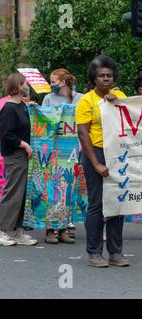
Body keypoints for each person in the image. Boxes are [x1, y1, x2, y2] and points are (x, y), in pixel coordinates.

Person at [76, 55, 129, 268]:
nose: (106, 79)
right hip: (95, 153)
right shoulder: (86, 100)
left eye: (109, 75)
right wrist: (96, 164)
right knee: (97, 204)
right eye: (101, 76)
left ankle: (116, 253)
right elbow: (82, 133)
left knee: (117, 204)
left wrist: (116, 103)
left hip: (117, 153)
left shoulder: (120, 95)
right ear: (94, 79)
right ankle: (95, 253)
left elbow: (130, 122)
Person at [0, 73, 38, 246]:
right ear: (18, 85)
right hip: (15, 155)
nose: (28, 85)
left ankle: (18, 231)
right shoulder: (9, 108)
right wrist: (24, 144)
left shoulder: (21, 106)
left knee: (22, 194)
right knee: (12, 193)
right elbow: (6, 135)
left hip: (23, 156)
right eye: (25, 83)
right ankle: (1, 232)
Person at [41, 68, 83, 245]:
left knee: (69, 189)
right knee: (53, 189)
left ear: (63, 82)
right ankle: (51, 229)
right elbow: (43, 121)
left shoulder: (79, 98)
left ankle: (65, 228)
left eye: (53, 81)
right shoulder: (49, 98)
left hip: (73, 150)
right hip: (55, 149)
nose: (51, 84)